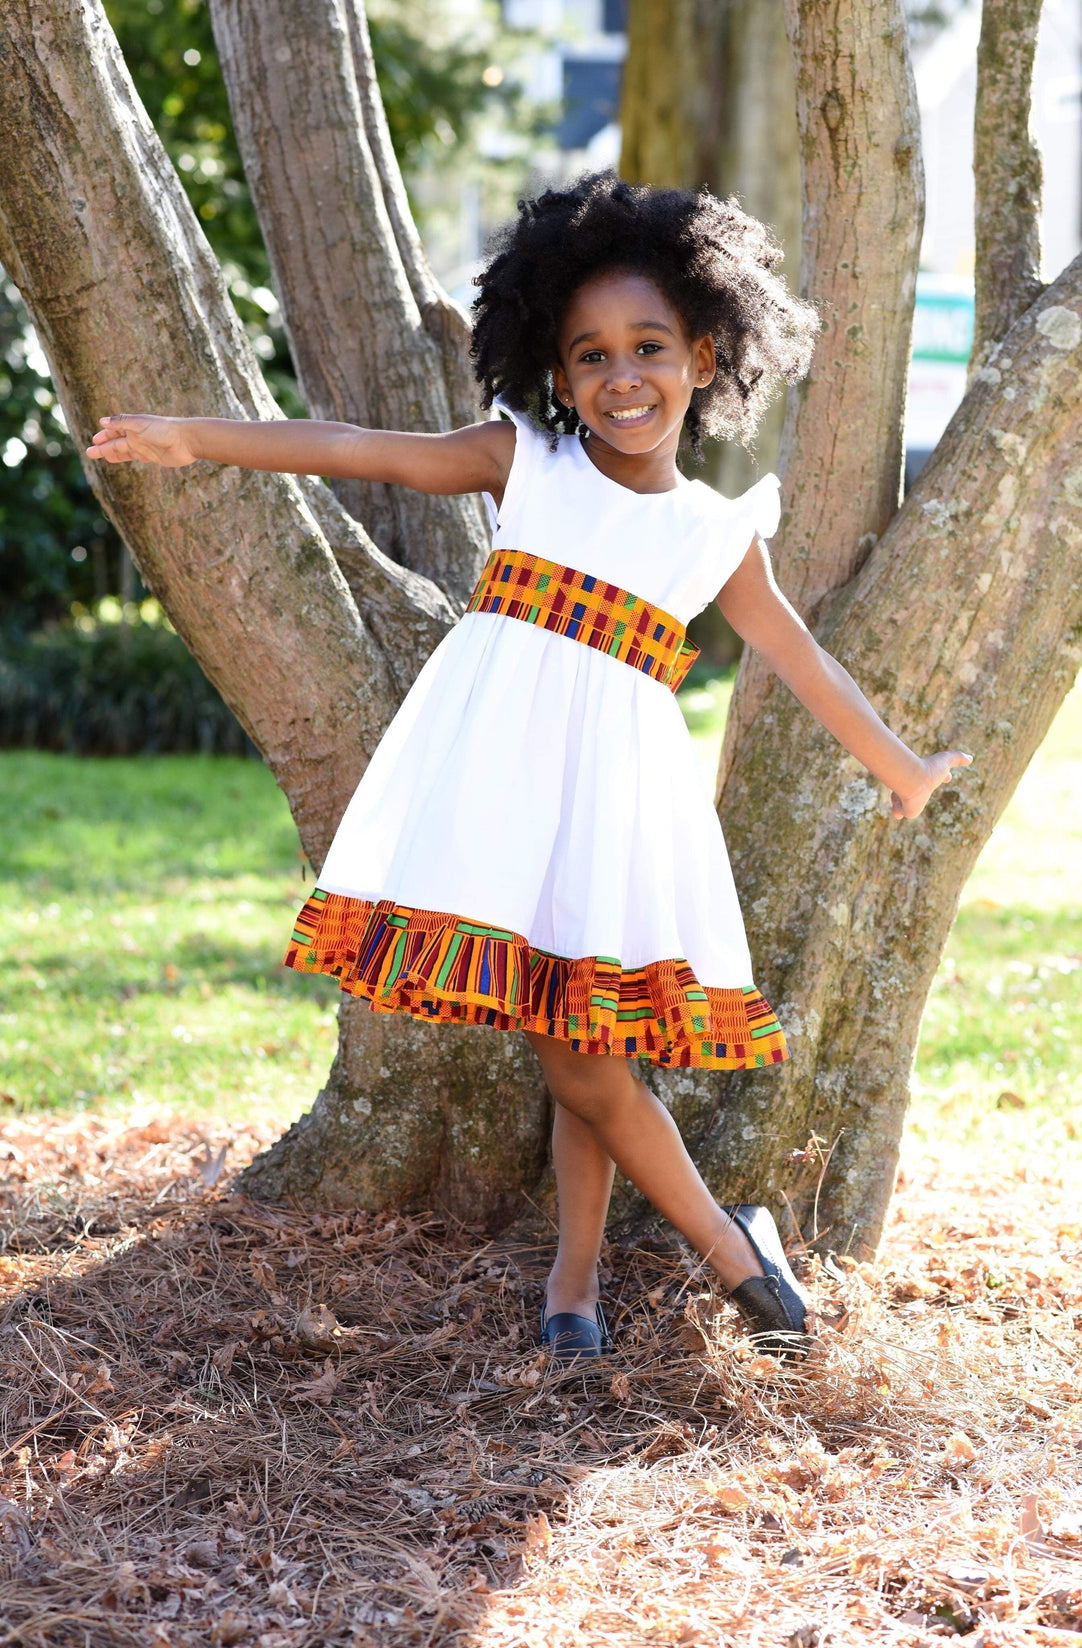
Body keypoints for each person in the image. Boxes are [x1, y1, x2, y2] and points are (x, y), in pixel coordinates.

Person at [88, 172, 971, 1365]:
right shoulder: (529, 464)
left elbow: (799, 658)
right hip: (500, 791)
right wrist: (196, 438)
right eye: (589, 354)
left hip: (612, 806)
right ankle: (646, 1266)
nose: (621, 376)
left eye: (648, 347)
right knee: (579, 1049)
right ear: (555, 372)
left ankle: (669, 1261)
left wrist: (900, 769)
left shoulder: (710, 532)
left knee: (584, 1054)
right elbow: (362, 450)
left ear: (704, 357)